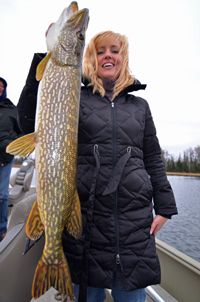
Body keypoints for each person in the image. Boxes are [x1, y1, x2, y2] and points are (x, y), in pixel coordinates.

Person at [17, 31, 178, 302]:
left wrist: (165, 206)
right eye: (101, 50)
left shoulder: (140, 106)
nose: (108, 55)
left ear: (123, 57)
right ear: (90, 58)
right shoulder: (75, 98)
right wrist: (45, 55)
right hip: (87, 221)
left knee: (132, 295)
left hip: (134, 223)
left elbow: (152, 158)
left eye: (114, 50)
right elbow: (29, 121)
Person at [0, 77, 22, 242]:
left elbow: (22, 132)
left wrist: (11, 145)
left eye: (2, 86)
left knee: (1, 194)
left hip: (5, 158)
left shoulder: (12, 110)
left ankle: (1, 230)